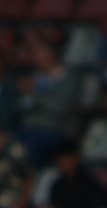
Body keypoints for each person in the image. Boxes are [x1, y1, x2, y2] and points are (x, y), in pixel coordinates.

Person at [17, 41, 85, 169]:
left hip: (57, 128)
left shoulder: (69, 77)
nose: (35, 57)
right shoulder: (37, 77)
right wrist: (25, 93)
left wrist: (36, 96)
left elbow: (62, 106)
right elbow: (24, 107)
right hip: (30, 127)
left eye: (39, 53)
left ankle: (39, 176)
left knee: (33, 145)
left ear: (50, 55)